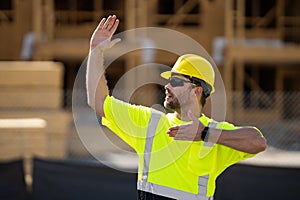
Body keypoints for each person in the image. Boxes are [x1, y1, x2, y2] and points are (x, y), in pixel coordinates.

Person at [86, 15, 266, 200]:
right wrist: (95, 52)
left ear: (196, 91)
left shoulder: (214, 133)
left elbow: (258, 142)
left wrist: (205, 134)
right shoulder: (149, 123)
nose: (167, 86)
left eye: (175, 81)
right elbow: (97, 102)